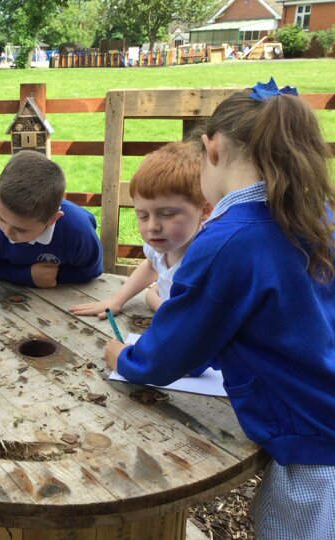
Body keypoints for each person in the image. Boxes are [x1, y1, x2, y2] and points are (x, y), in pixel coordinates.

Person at [104, 79, 335, 539]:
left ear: (211, 149)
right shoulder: (318, 215)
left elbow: (172, 350)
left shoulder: (227, 240)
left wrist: (126, 359)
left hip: (312, 443)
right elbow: (252, 319)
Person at [69, 142, 211, 318]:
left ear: (205, 211)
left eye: (167, 214)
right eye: (142, 216)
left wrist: (153, 299)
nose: (152, 227)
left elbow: (186, 320)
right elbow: (151, 266)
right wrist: (117, 300)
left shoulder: (206, 262)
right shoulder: (160, 245)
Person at [0, 150, 103, 288]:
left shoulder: (78, 231)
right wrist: (27, 275)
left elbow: (91, 270)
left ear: (52, 219)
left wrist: (54, 276)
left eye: (21, 229)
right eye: (1, 218)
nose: (7, 232)